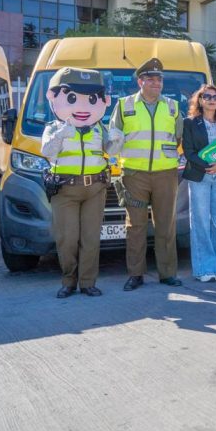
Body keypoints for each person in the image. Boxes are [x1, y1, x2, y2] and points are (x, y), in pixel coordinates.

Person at [41, 67, 122, 297]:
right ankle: (68, 281)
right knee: (67, 239)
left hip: (95, 189)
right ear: (53, 97)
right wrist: (62, 133)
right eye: (72, 98)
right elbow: (47, 151)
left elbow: (110, 151)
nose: (83, 106)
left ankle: (88, 282)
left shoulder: (99, 128)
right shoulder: (54, 127)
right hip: (65, 190)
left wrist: (117, 140)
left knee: (91, 238)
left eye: (92, 98)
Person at [111, 58, 184, 291]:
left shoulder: (172, 107)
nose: (156, 83)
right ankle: (135, 274)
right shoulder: (124, 105)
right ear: (140, 81)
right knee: (135, 226)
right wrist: (114, 168)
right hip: (134, 174)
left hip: (166, 174)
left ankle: (167, 273)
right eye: (151, 79)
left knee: (166, 225)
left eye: (159, 79)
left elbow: (180, 139)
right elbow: (113, 140)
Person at [182, 84, 216, 282]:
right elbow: (188, 152)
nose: (212, 99)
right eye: (207, 96)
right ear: (200, 100)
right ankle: (204, 269)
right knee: (200, 223)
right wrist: (208, 166)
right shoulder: (189, 123)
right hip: (200, 177)